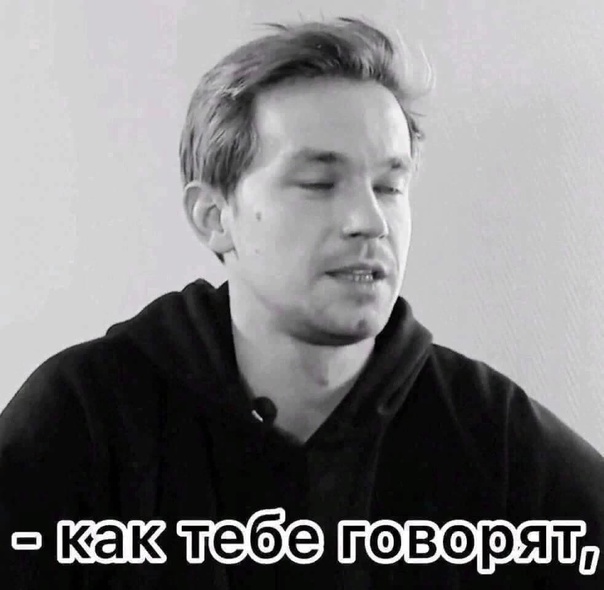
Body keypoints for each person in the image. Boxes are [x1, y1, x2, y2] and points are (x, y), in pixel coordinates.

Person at [1, 16, 603, 589]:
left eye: (390, 186)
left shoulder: (490, 435)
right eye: (319, 183)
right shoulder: (84, 419)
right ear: (214, 217)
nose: (370, 220)